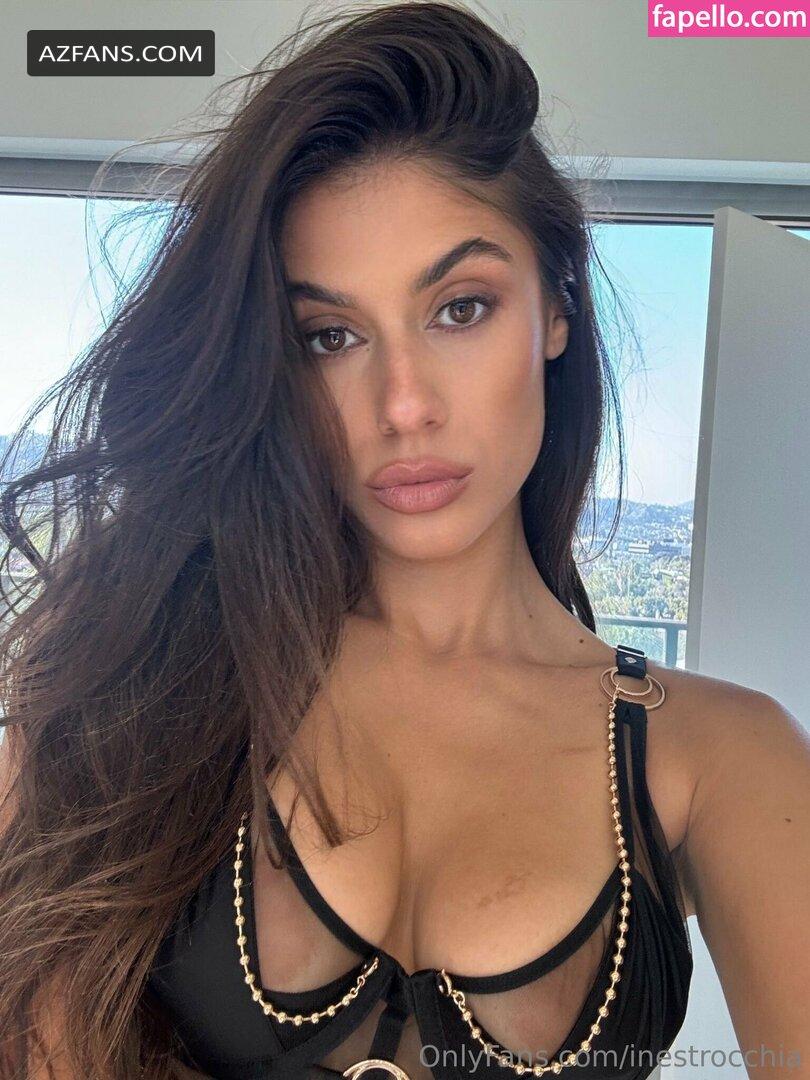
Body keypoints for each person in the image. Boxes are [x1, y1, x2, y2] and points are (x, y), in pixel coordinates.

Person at [1, 2, 808, 1078]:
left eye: (460, 309)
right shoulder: (137, 665)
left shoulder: (721, 758)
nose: (404, 404)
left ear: (556, 308)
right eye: (330, 336)